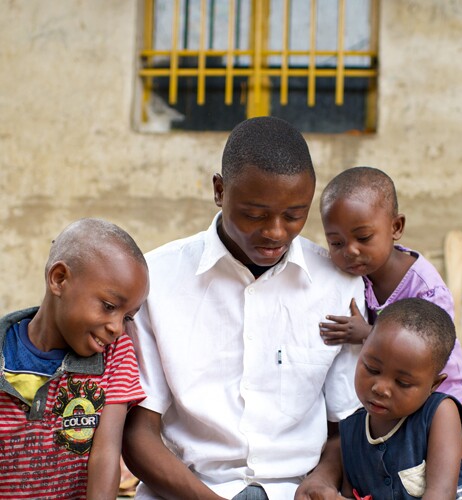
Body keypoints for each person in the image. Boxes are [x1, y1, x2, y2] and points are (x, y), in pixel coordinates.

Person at [122, 116, 366, 500]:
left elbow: (347, 423)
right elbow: (138, 433)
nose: (275, 232)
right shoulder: (157, 279)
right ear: (219, 190)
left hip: (295, 491)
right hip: (187, 490)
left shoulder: (339, 284)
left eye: (294, 215)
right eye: (254, 214)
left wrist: (323, 478)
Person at [0, 218, 149, 499]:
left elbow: (105, 457)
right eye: (108, 306)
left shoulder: (115, 356)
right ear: (59, 279)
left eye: (127, 317)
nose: (117, 327)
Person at [318, 166, 462, 423]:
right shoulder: (355, 276)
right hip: (396, 397)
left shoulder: (426, 290)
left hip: (444, 399)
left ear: (396, 226)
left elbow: (428, 351)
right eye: (336, 242)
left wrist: (366, 334)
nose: (350, 251)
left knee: (451, 460)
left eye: (363, 237)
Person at [338, 298, 462, 499]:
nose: (381, 388)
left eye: (403, 383)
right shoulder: (351, 430)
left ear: (433, 385)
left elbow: (441, 494)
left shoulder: (440, 414)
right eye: (372, 369)